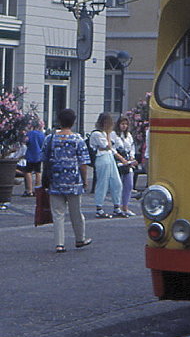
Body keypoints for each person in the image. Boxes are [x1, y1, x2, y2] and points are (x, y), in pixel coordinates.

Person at [43, 108, 91, 252]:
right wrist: (85, 180)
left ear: (59, 121)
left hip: (55, 180)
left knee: (58, 213)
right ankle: (80, 238)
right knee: (76, 212)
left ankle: (59, 243)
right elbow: (83, 164)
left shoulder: (50, 139)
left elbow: (44, 159)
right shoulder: (78, 139)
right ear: (73, 122)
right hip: (74, 182)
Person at [89, 112, 129, 218]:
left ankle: (117, 207)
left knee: (117, 183)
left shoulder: (105, 134)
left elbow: (111, 147)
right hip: (101, 158)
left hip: (109, 158)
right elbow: (107, 145)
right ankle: (99, 208)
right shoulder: (97, 134)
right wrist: (107, 135)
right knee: (103, 183)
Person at [111, 115, 138, 216]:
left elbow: (131, 148)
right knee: (117, 185)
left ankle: (125, 206)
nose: (124, 126)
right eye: (122, 124)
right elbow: (112, 148)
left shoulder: (128, 135)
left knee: (129, 184)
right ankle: (117, 206)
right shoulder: (114, 134)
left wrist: (131, 157)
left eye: (126, 124)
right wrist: (120, 158)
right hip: (118, 161)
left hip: (127, 162)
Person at [22, 118, 45, 196]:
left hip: (30, 154)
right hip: (38, 155)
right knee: (38, 172)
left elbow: (25, 142)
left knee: (28, 172)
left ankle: (29, 190)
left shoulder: (29, 133)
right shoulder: (41, 134)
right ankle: (37, 190)